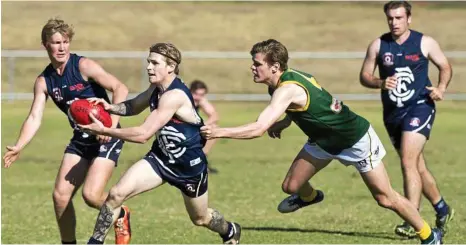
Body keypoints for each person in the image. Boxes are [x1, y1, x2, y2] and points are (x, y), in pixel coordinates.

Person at [201, 39, 443, 244]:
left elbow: (258, 128)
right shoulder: (287, 79)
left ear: (274, 66)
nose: (252, 68)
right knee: (291, 187)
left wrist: (218, 132)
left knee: (385, 198)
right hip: (323, 141)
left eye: (257, 64)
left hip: (355, 139)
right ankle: (310, 197)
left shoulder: (286, 89)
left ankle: (429, 235)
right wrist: (287, 121)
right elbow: (313, 101)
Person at [78, 43, 241, 244]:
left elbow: (143, 134)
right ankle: (95, 242)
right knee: (116, 194)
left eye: (155, 63)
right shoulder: (156, 88)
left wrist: (104, 130)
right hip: (160, 160)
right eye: (148, 62)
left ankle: (230, 230)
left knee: (200, 218)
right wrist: (110, 107)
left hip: (188, 168)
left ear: (171, 67)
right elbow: (133, 106)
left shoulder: (174, 96)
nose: (148, 67)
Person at [2, 18, 131, 244]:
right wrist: (20, 145)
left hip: (106, 136)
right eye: (55, 43)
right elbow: (34, 116)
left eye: (65, 42)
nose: (61, 47)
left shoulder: (83, 66)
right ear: (45, 45)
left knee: (91, 196)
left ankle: (120, 213)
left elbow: (120, 88)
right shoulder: (44, 81)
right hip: (81, 138)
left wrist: (109, 125)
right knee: (60, 197)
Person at [359, 1, 454, 238]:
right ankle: (442, 208)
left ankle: (414, 221)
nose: (394, 22)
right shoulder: (379, 45)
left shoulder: (424, 42)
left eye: (399, 18)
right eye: (390, 18)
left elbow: (445, 66)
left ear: (409, 18)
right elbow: (364, 76)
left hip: (420, 107)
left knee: (408, 163)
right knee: (417, 166)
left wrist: (441, 88)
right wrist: (380, 83)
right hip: (393, 114)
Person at [190, 80, 220, 173]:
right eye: (196, 94)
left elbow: (215, 116)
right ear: (190, 91)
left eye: (202, 94)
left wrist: (202, 126)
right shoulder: (184, 100)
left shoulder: (200, 100)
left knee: (214, 128)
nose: (198, 97)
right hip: (178, 129)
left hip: (192, 129)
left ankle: (201, 160)